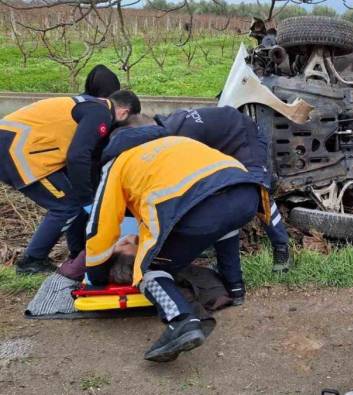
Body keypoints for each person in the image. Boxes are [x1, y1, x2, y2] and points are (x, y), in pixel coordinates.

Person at [85, 133, 270, 362]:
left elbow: (99, 225)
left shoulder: (117, 164)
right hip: (247, 194)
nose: (128, 238)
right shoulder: (171, 143)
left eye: (122, 241)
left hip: (198, 207)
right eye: (122, 243)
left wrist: (96, 273)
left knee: (147, 268)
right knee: (225, 227)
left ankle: (181, 320)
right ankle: (235, 288)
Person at [130, 107, 293, 272]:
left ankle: (281, 247)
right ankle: (225, 265)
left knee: (258, 191)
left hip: (244, 138)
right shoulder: (168, 127)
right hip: (223, 150)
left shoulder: (179, 138)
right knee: (219, 201)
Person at [0, 90, 141, 274]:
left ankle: (75, 252)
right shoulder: (101, 113)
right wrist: (87, 200)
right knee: (67, 205)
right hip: (18, 151)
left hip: (20, 146)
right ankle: (31, 262)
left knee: (72, 202)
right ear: (123, 112)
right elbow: (77, 156)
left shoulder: (92, 105)